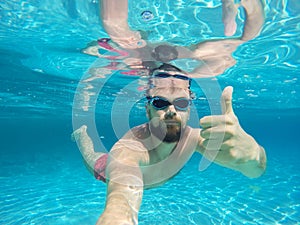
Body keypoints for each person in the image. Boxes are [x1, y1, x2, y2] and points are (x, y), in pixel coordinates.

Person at [72, 63, 267, 225]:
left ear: (189, 110)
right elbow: (120, 199)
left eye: (181, 103)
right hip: (106, 170)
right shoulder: (129, 149)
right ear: (148, 110)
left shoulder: (196, 138)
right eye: (160, 103)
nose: (172, 111)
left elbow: (256, 171)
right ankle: (81, 135)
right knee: (91, 155)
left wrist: (254, 155)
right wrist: (118, 216)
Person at [82, 0, 265, 77]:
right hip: (179, 52)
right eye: (181, 102)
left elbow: (92, 51)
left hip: (137, 45)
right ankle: (237, 5)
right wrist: (188, 75)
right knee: (245, 39)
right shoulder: (191, 63)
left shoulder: (130, 56)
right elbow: (227, 60)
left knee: (115, 28)